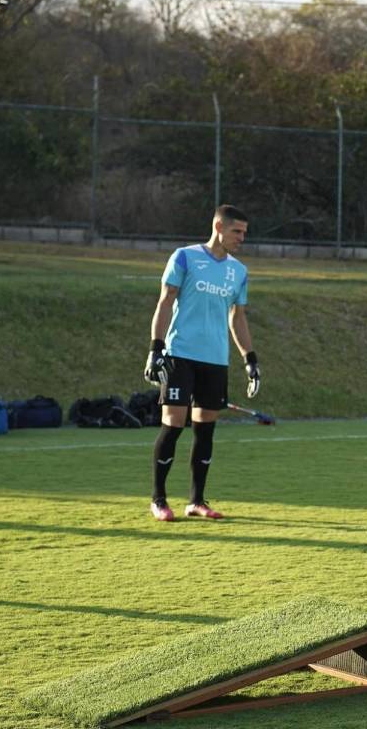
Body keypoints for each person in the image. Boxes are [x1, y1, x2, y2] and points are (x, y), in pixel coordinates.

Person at [143, 204, 261, 522]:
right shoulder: (185, 257)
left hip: (215, 360)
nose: (242, 238)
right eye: (237, 231)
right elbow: (165, 302)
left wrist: (249, 359)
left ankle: (196, 501)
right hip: (180, 354)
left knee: (206, 430)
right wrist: (156, 348)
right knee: (173, 424)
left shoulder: (239, 271)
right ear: (218, 227)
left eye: (244, 233)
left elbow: (238, 317)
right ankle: (158, 500)